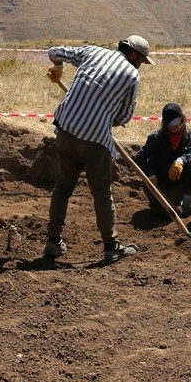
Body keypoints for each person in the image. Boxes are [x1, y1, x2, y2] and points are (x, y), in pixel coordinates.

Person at [42, 35, 153, 263]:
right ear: (133, 55)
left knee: (62, 187)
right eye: (141, 60)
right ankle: (111, 247)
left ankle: (53, 242)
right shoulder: (132, 75)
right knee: (101, 193)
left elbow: (54, 51)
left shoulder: (92, 52)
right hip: (95, 141)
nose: (140, 65)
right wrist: (102, 120)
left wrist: (59, 68)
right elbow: (124, 117)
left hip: (65, 130)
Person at [135, 102, 191, 218]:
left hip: (177, 180)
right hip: (159, 183)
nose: (174, 127)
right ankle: (157, 204)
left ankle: (187, 202)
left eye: (176, 123)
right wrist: (150, 174)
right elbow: (140, 157)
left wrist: (181, 160)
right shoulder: (155, 138)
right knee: (164, 216)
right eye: (170, 124)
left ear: (182, 120)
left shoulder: (187, 134)